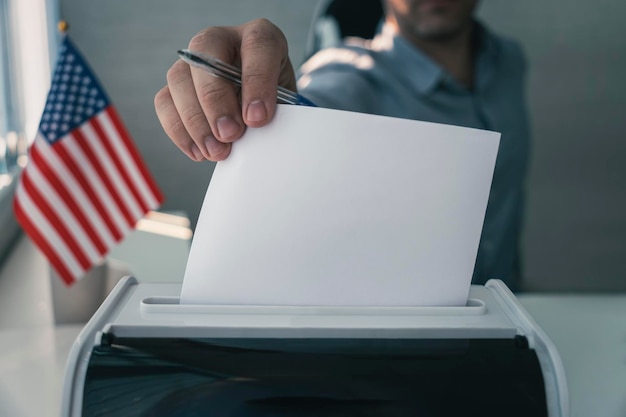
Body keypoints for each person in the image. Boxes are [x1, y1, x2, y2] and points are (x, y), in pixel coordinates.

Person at [154, 0, 530, 291]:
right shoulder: (349, 74)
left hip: (515, 315)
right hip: (413, 345)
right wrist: (274, 107)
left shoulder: (508, 59)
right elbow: (313, 109)